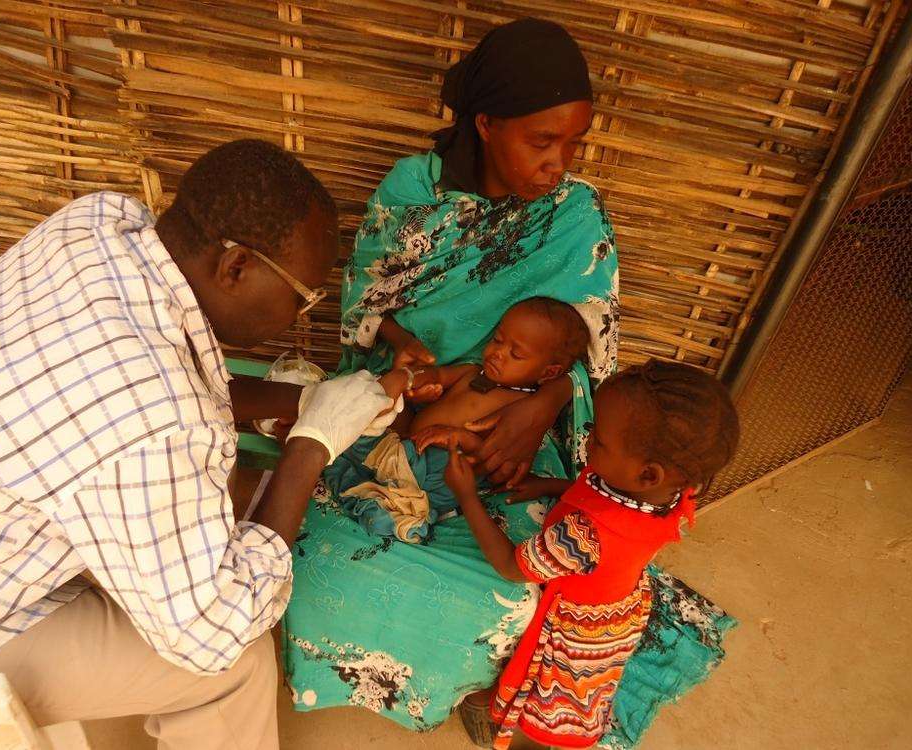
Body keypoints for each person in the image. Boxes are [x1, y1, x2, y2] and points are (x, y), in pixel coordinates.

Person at [282, 19, 736, 746]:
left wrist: (543, 405)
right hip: (408, 404)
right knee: (323, 550)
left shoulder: (575, 214)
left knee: (525, 585)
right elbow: (368, 310)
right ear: (486, 124)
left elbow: (593, 349)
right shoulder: (412, 194)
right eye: (542, 142)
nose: (560, 164)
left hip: (532, 427)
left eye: (573, 145)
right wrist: (410, 356)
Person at [0, 139, 396, 750]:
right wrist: (311, 444)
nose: (304, 313)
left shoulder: (96, 224)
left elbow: (163, 372)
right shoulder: (158, 421)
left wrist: (306, 403)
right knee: (236, 663)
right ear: (236, 268)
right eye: (303, 295)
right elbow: (211, 632)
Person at [441, 359, 740, 748]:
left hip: (574, 628)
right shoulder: (670, 493)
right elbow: (603, 494)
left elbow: (512, 567)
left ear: (647, 474)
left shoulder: (585, 536)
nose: (589, 436)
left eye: (598, 440)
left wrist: (466, 495)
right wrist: (552, 486)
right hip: (621, 598)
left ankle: (505, 719)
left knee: (545, 693)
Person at [325, 298, 590, 542]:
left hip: (439, 475)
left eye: (516, 354)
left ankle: (396, 513)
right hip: (407, 447)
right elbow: (438, 376)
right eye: (497, 340)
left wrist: (460, 438)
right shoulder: (474, 372)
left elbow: (493, 464)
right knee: (362, 426)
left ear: (549, 372)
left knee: (398, 489)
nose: (498, 352)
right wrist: (414, 382)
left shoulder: (518, 410)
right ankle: (356, 477)